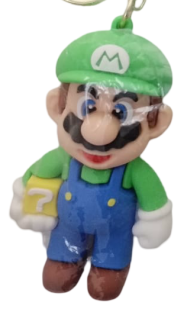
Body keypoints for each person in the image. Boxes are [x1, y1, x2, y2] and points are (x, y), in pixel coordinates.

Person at [10, 18, 174, 300]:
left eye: (121, 113)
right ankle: (65, 257)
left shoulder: (135, 171)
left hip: (116, 233)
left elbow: (154, 199)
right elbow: (36, 176)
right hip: (67, 228)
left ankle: (109, 265)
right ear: (58, 106)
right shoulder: (62, 159)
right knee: (55, 278)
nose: (98, 134)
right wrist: (27, 201)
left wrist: (156, 221)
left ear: (155, 122)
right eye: (88, 106)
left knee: (105, 286)